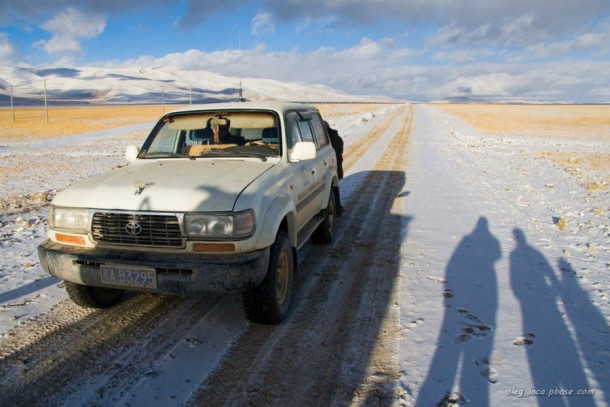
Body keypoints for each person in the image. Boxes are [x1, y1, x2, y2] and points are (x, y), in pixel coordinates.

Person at [324, 121, 344, 216]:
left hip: (330, 167)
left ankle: (337, 209)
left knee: (331, 190)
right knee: (335, 189)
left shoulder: (325, 140)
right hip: (337, 166)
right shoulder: (338, 138)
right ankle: (338, 209)